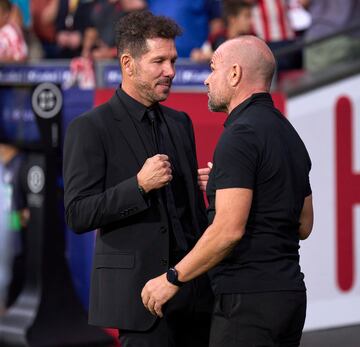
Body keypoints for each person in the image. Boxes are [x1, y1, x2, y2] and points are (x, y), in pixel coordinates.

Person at [142, 35, 314, 347]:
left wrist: (172, 278)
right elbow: (303, 225)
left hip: (246, 303)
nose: (207, 79)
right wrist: (230, 188)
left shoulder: (240, 135)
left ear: (234, 74)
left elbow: (228, 231)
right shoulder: (289, 134)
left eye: (212, 68)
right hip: (289, 298)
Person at [63, 10, 213, 347]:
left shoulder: (180, 122)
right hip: (139, 302)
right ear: (128, 64)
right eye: (159, 61)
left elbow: (190, 213)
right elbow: (77, 213)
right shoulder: (90, 128)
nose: (170, 71)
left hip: (194, 298)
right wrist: (139, 186)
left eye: (172, 60)